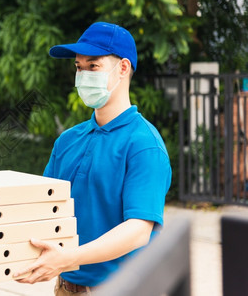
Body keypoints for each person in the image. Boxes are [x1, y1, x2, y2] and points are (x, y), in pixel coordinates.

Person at [13, 22, 172, 295]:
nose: (83, 75)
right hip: (66, 287)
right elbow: (45, 208)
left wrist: (68, 257)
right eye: (78, 67)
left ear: (122, 68)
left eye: (93, 66)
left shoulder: (144, 145)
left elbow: (138, 230)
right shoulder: (68, 140)